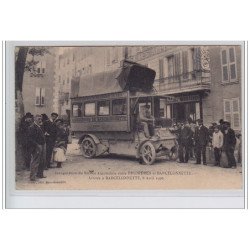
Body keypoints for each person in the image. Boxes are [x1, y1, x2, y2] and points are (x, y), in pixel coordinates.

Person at [28, 115, 46, 181]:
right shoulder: (32, 127)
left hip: (42, 145)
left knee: (42, 160)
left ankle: (40, 174)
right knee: (35, 161)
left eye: (41, 119)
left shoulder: (39, 126)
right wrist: (37, 145)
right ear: (34, 119)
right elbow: (30, 138)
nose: (40, 120)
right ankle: (32, 177)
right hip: (37, 146)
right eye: (38, 119)